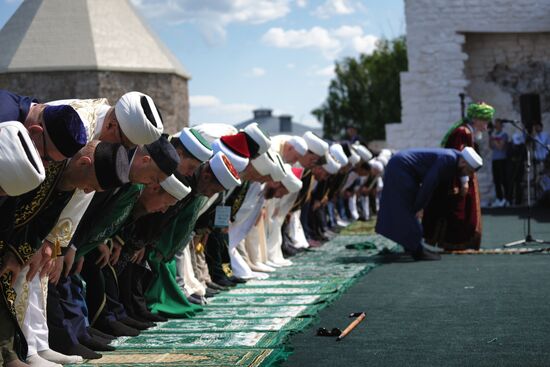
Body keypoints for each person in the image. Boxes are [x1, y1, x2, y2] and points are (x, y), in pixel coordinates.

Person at [376, 147, 483, 261]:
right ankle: (417, 251)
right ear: (462, 163)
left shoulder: (455, 158)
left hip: (402, 167)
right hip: (401, 168)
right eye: (469, 171)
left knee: (405, 208)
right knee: (407, 209)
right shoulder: (449, 159)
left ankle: (411, 245)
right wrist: (420, 206)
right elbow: (429, 183)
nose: (469, 174)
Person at [423, 102, 494, 250]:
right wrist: (463, 181)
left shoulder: (466, 132)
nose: (486, 125)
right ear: (475, 119)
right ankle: (456, 242)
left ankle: (457, 242)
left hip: (464, 176)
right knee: (459, 210)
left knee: (461, 210)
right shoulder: (463, 132)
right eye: (484, 121)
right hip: (457, 179)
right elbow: (460, 159)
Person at [489, 119, 510, 207]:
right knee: (496, 180)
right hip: (495, 159)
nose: (495, 125)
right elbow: (491, 146)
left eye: (497, 123)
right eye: (495, 123)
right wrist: (490, 136)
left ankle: (507, 199)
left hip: (502, 159)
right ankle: (499, 198)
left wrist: (493, 140)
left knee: (504, 180)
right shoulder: (494, 135)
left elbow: (500, 146)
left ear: (501, 125)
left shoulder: (504, 134)